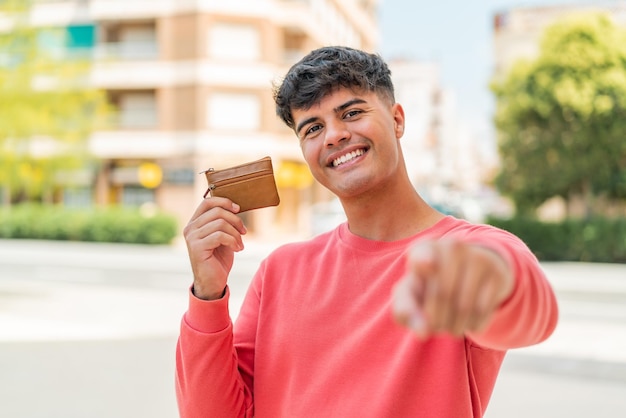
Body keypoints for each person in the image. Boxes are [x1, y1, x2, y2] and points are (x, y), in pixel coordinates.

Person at [176, 46, 558, 418]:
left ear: (397, 120)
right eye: (313, 128)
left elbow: (530, 314)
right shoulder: (279, 271)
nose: (334, 135)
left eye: (352, 112)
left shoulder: (470, 250)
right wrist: (207, 294)